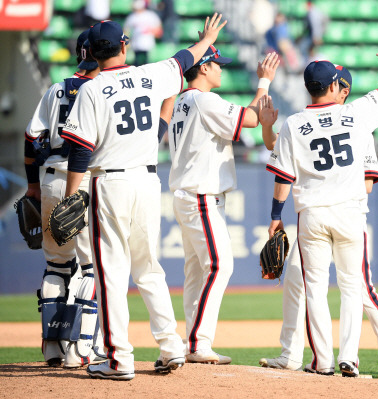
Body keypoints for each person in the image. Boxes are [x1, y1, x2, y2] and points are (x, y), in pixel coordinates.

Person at [60, 15, 228, 380]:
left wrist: (70, 198)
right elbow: (185, 59)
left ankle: (119, 359)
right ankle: (171, 347)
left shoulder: (90, 89)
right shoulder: (150, 74)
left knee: (111, 274)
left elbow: (80, 153)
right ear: (124, 45)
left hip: (110, 183)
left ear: (91, 52)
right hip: (148, 182)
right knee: (150, 268)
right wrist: (209, 38)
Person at [265, 35, 378, 377]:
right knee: (351, 288)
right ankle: (349, 358)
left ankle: (322, 361)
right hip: (351, 212)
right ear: (334, 86)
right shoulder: (354, 114)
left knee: (315, 289)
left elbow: (283, 177)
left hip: (312, 213)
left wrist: (275, 216)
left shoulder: (293, 124)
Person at [167, 49, 280, 365]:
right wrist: (264, 81)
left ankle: (193, 341)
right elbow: (253, 118)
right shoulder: (204, 100)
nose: (221, 70)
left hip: (188, 194)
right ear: (203, 68)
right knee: (219, 266)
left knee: (196, 272)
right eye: (217, 65)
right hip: (201, 196)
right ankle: (198, 342)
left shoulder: (181, 102)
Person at [24, 29, 104, 369]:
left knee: (56, 266)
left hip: (52, 179)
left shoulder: (55, 89)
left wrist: (32, 187)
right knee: (91, 268)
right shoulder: (102, 89)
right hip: (85, 179)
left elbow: (31, 140)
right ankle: (82, 349)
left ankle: (53, 348)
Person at [124, 0, 163, 66]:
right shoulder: (132, 17)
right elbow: (126, 30)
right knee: (136, 64)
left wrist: (150, 31)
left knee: (147, 64)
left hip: (148, 45)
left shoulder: (150, 15)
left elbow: (159, 31)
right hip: (135, 45)